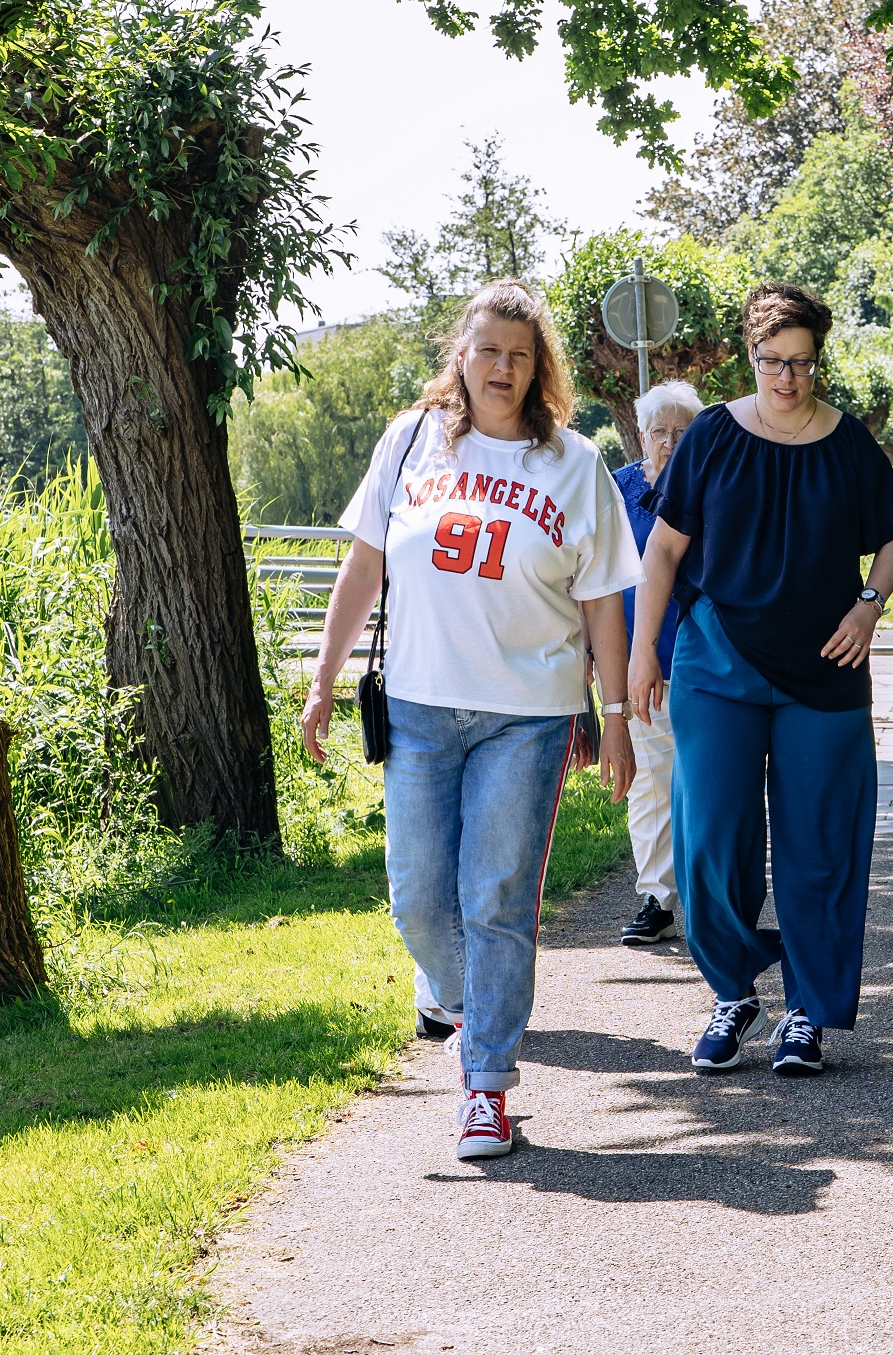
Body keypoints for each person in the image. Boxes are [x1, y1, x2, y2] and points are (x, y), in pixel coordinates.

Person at [300, 279, 641, 1162]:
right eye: (487, 350)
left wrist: (613, 716)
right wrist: (323, 678)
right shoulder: (409, 442)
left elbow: (603, 600)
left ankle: (485, 1083)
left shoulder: (573, 464)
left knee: (496, 897)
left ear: (538, 371)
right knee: (417, 899)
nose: (501, 367)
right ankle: (467, 1005)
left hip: (525, 714)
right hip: (416, 703)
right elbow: (365, 564)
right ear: (462, 354)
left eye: (519, 356)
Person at [629, 283, 893, 1076]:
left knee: (819, 845)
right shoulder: (713, 435)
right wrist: (641, 650)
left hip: (825, 669)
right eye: (772, 362)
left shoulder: (848, 443)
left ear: (818, 360)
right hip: (717, 660)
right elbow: (662, 550)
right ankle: (733, 989)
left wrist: (867, 607)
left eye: (802, 363)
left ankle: (807, 1013)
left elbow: (890, 541)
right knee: (709, 838)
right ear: (751, 355)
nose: (788, 378)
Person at [610, 379, 705, 946]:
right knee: (649, 784)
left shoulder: (711, 487)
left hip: (705, 662)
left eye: (681, 431)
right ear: (642, 435)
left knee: (704, 782)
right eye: (659, 432)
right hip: (640, 663)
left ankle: (709, 899)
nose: (670, 442)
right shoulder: (616, 493)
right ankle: (656, 897)